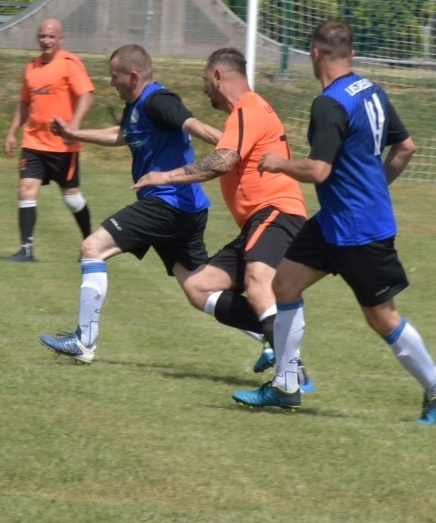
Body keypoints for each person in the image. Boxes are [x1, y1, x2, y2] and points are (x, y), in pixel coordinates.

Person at [232, 20, 436, 426]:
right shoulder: (370, 89)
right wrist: (375, 189)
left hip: (359, 231)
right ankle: (286, 385)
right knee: (283, 283)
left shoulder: (329, 103)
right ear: (350, 54)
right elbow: (405, 147)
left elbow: (318, 170)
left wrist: (278, 163)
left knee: (381, 316)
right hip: (336, 222)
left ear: (315, 54)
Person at [132, 48, 310, 377]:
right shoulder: (244, 114)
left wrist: (166, 175)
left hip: (276, 213)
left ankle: (289, 374)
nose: (204, 88)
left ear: (218, 77)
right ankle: (280, 336)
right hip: (258, 223)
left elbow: (222, 161)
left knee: (258, 284)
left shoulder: (249, 108)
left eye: (205, 80)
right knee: (199, 287)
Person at [37, 44, 221, 363]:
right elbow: (122, 134)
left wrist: (239, 147)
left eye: (114, 76)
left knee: (92, 248)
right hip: (186, 208)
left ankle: (84, 341)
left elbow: (194, 126)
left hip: (168, 203)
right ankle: (269, 334)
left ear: (133, 76)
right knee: (199, 290)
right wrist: (73, 133)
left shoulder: (160, 101)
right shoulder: (137, 104)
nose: (111, 83)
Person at [2, 18, 95, 261]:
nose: (47, 40)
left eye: (52, 37)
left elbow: (86, 96)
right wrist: (12, 131)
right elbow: (24, 103)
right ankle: (26, 250)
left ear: (60, 39)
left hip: (63, 146)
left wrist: (73, 126)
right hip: (33, 143)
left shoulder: (70, 64)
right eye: (43, 36)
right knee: (26, 190)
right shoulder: (31, 67)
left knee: (72, 199)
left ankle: (91, 244)